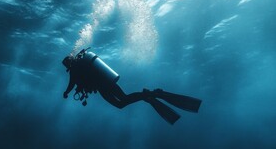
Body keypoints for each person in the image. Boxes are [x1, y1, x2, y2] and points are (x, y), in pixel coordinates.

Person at [62, 48, 202, 125]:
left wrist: (66, 93)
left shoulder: (75, 69)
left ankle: (147, 95)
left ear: (68, 64)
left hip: (102, 86)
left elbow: (71, 83)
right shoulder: (81, 63)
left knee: (120, 104)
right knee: (124, 98)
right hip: (108, 81)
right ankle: (150, 94)